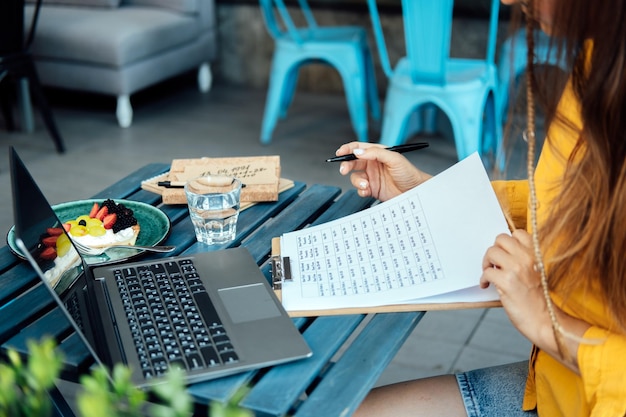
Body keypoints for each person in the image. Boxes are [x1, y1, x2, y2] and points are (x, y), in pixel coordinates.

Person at [334, 0, 626, 415]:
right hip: (556, 384)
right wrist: (423, 190)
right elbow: (569, 204)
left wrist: (547, 322)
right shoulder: (599, 60)